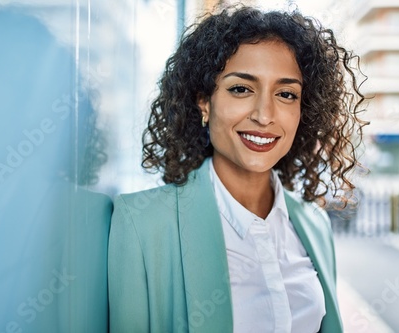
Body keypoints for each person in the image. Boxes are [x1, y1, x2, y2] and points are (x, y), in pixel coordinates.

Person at [108, 5, 367, 333]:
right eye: (241, 89)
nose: (264, 114)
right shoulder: (141, 224)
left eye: (286, 94)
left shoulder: (313, 224)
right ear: (205, 101)